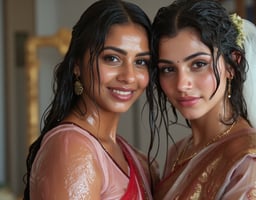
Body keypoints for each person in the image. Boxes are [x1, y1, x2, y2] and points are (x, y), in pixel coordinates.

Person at [147, 0, 256, 199]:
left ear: (231, 64)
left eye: (199, 64)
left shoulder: (252, 161)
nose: (182, 84)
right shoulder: (178, 152)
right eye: (168, 69)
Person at [23, 0, 158, 199]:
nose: (129, 76)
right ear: (77, 64)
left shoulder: (131, 154)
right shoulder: (72, 149)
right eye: (112, 58)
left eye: (140, 62)